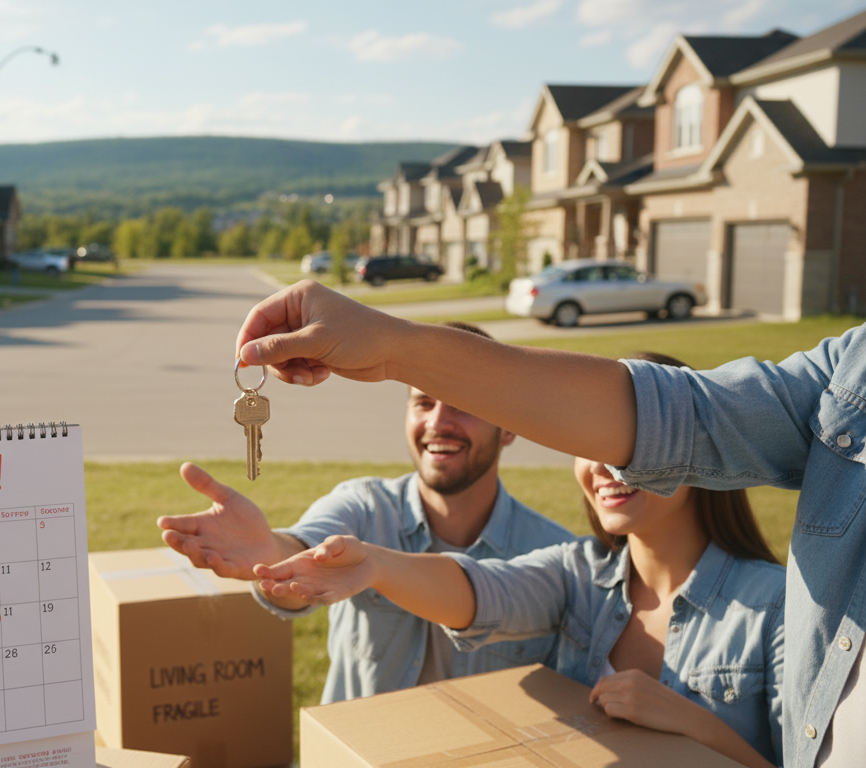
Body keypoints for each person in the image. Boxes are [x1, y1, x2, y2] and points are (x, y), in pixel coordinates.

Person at [232, 279, 863, 768]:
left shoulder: (777, 607)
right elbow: (481, 593)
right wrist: (374, 564)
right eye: (593, 449)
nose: (607, 467)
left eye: (628, 449)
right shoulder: (579, 576)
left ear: (698, 460)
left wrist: (693, 723)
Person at [158, 322, 575, 703]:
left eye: (461, 404)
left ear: (508, 426)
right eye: (424, 402)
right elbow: (305, 550)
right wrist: (272, 552)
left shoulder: (555, 559)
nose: (438, 422)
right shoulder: (364, 507)